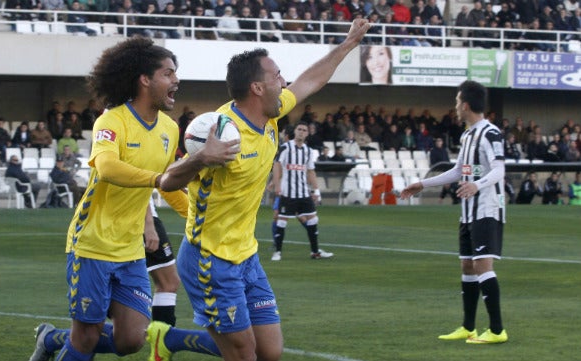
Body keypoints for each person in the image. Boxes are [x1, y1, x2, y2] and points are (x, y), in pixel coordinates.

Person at [146, 19, 371, 361]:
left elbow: (312, 80)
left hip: (246, 255)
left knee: (270, 351)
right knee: (244, 355)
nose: (284, 82)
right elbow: (168, 180)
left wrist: (349, 43)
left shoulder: (272, 112)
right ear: (257, 87)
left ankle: (170, 339)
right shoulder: (222, 131)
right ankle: (170, 340)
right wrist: (200, 158)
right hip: (211, 258)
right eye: (277, 76)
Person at [28, 37, 238, 361]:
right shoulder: (112, 121)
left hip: (131, 250)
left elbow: (172, 184)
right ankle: (61, 341)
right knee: (85, 336)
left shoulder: (169, 129)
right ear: (145, 79)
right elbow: (109, 167)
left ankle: (52, 338)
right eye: (168, 73)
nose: (176, 80)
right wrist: (157, 179)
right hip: (92, 243)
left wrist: (200, 219)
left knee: (131, 340)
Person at [400, 80, 508, 344]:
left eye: (458, 101)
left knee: (483, 265)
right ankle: (468, 327)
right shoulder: (467, 134)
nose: (456, 106)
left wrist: (477, 184)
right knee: (467, 265)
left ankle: (496, 330)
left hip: (487, 208)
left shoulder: (490, 133)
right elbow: (459, 171)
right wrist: (422, 184)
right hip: (468, 211)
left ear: (467, 105)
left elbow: (499, 169)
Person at [271, 121, 334, 261]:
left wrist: (316, 190)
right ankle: (277, 252)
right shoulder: (285, 147)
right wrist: (277, 185)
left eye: (304, 130)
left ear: (307, 133)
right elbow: (276, 165)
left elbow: (311, 171)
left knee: (313, 219)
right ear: (295, 132)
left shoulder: (308, 151)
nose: (301, 132)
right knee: (281, 220)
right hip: (287, 192)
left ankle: (315, 252)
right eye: (299, 129)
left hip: (304, 193)